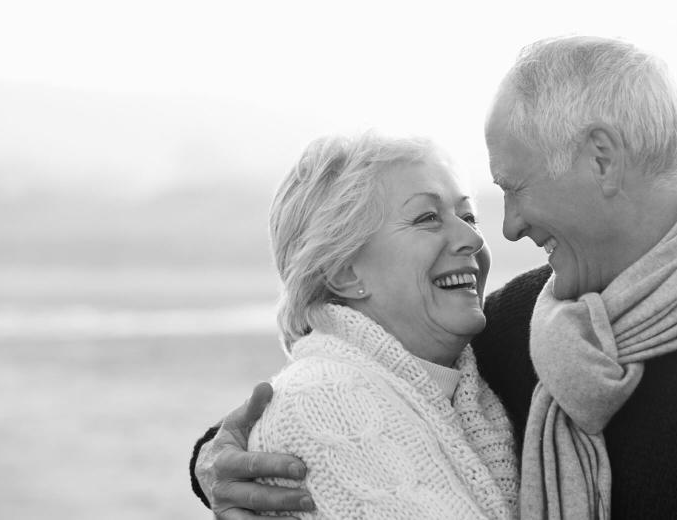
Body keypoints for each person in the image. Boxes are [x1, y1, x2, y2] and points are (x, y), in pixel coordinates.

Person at [191, 37, 677, 519]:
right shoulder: (528, 324)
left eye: (513, 188)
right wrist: (217, 461)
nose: (511, 227)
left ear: (601, 160)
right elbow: (364, 387)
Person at [197, 131, 520, 519]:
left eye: (469, 216)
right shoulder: (319, 401)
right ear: (344, 271)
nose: (471, 238)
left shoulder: (465, 388)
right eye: (428, 218)